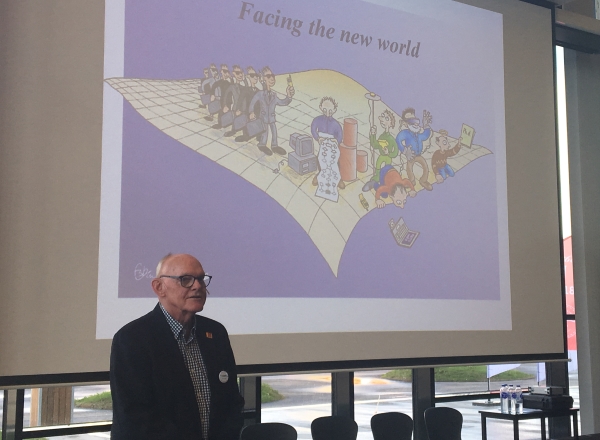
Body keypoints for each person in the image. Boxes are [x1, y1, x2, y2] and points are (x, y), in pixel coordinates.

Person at [110, 253, 244, 440]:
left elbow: (231, 402)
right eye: (186, 279)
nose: (197, 286)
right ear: (159, 287)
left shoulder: (216, 333)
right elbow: (136, 418)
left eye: (201, 279)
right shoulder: (132, 339)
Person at [248, 66, 295, 156]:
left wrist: (289, 96)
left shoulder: (274, 95)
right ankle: (262, 144)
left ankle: (274, 146)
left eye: (272, 75)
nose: (272, 78)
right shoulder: (260, 94)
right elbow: (252, 103)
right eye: (268, 76)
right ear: (263, 78)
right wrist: (251, 112)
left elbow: (282, 102)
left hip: (272, 118)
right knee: (265, 132)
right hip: (263, 118)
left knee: (274, 132)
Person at [396, 107, 433, 191]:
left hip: (419, 155)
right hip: (411, 156)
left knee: (425, 166)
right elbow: (398, 140)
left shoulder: (418, 133)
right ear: (405, 124)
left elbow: (425, 136)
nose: (414, 122)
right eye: (410, 120)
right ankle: (412, 182)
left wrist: (426, 126)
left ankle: (423, 180)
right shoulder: (405, 133)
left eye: (414, 119)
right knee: (409, 168)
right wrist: (405, 150)